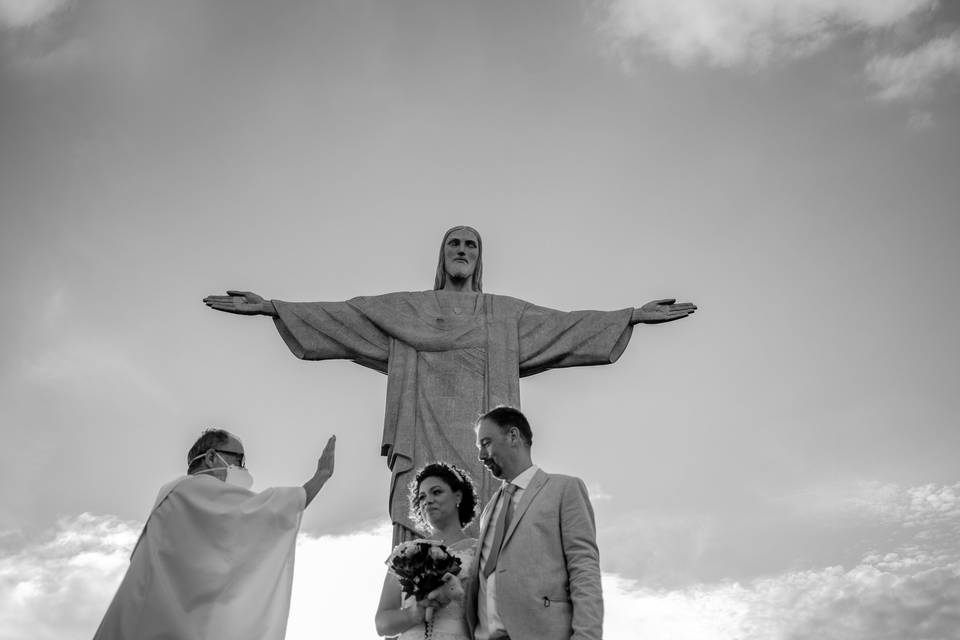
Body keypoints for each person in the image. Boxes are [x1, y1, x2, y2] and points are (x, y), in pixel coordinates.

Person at [204, 226, 695, 544]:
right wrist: (274, 307)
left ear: (479, 259)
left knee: (482, 542)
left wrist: (629, 316)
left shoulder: (503, 315)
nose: (462, 251)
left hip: (482, 455)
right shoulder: (407, 311)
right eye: (453, 244)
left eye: (471, 245)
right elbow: (344, 318)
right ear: (442, 255)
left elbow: (564, 327)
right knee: (420, 542)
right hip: (420, 442)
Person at [93, 429, 336, 640]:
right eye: (239, 460)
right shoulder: (193, 490)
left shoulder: (175, 498)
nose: (243, 469)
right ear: (211, 457)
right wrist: (320, 478)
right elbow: (266, 513)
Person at [466, 407, 602, 640]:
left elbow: (583, 569)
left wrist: (586, 636)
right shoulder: (489, 509)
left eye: (486, 443)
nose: (481, 456)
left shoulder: (564, 489)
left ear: (513, 436)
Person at [375, 462, 479, 640]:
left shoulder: (479, 550)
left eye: (436, 492)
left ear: (458, 496)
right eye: (422, 497)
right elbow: (382, 623)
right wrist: (414, 613)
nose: (428, 500)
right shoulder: (406, 553)